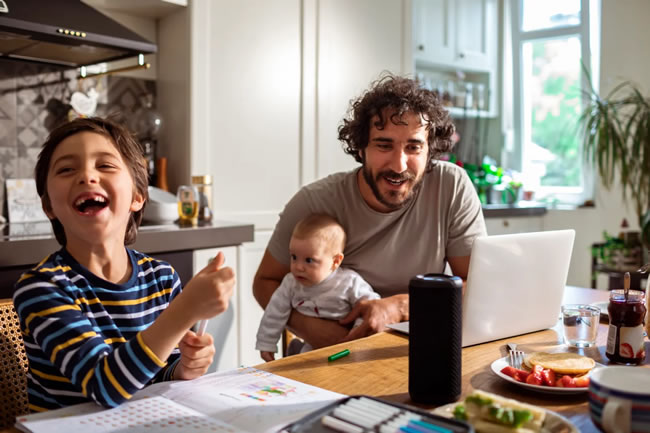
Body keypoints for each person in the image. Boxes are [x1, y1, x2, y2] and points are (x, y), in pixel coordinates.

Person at [13, 117, 235, 412]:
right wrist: (186, 310)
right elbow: (104, 386)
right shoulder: (42, 287)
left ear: (138, 196)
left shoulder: (162, 278)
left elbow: (153, 375)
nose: (87, 176)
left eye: (105, 165)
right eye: (67, 169)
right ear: (48, 206)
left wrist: (182, 369)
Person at [253, 74, 486, 351]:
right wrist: (322, 334)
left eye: (413, 147)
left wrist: (400, 306)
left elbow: (479, 285)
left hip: (422, 343)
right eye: (384, 145)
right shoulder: (314, 202)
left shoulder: (451, 186)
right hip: (335, 352)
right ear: (361, 148)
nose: (399, 165)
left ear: (430, 150)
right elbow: (265, 282)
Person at [255, 214, 379, 361]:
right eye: (294, 257)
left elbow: (372, 306)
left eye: (309, 260)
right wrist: (266, 343)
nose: (298, 267)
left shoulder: (349, 282)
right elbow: (275, 312)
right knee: (304, 367)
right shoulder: (291, 283)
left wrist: (356, 335)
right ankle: (296, 350)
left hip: (349, 346)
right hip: (311, 346)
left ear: (335, 261)